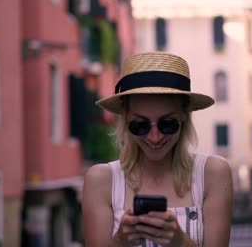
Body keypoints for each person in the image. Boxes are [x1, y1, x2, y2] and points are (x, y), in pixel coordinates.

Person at [82, 52, 233, 247]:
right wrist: (120, 241)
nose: (154, 137)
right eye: (140, 125)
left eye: (167, 124)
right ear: (126, 119)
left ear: (184, 115)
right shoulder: (100, 180)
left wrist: (180, 242)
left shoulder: (213, 173)